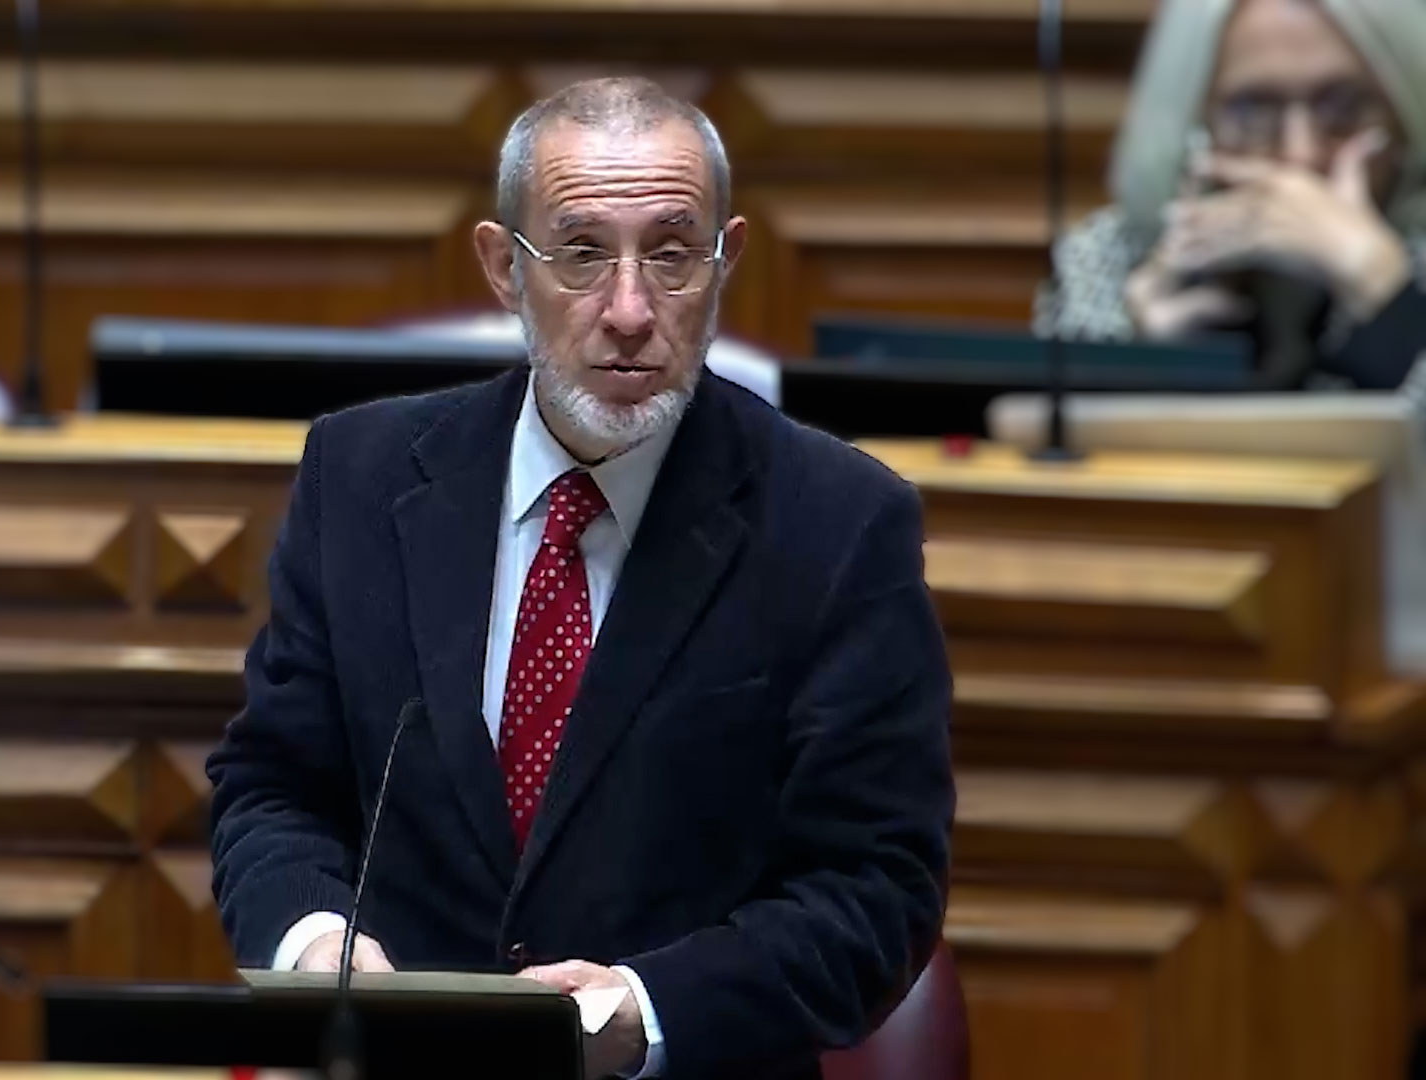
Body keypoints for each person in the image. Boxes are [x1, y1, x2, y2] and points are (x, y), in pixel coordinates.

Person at [207, 77, 954, 1080]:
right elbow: (273, 789)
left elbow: (876, 889)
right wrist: (317, 948)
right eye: (583, 254)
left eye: (673, 255)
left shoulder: (839, 524)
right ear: (503, 266)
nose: (631, 311)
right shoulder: (361, 479)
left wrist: (644, 1011)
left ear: (726, 260)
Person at [1039, 0, 1426, 394]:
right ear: (1193, 122)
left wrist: (1381, 284)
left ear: (1402, 115)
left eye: (1343, 105)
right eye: (1252, 109)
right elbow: (1054, 424)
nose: (1300, 154)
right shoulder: (1111, 256)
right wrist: (1146, 362)